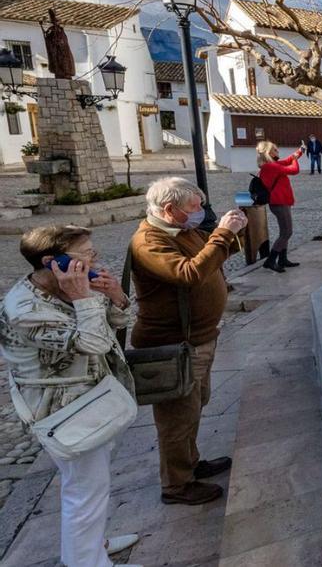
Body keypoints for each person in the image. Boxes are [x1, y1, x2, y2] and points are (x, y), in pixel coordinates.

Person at [1, 225, 142, 567]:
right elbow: (91, 342)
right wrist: (83, 299)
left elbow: (113, 327)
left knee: (90, 485)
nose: (94, 259)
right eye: (86, 254)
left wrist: (115, 297)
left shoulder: (70, 285)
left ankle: (91, 545)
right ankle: (87, 561)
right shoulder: (25, 309)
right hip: (64, 410)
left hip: (94, 397)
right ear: (53, 261)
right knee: (84, 491)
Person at [129, 178, 247, 506]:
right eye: (195, 207)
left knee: (194, 407)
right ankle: (177, 485)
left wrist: (234, 233)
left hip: (198, 338)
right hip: (173, 345)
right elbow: (189, 273)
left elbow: (212, 258)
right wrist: (222, 233)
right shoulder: (148, 241)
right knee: (176, 418)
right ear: (170, 210)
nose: (201, 213)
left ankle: (191, 463)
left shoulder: (182, 231)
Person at [255, 141, 304, 273]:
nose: (278, 152)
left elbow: (287, 161)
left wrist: (298, 153)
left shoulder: (271, 165)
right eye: (275, 150)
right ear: (269, 152)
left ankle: (283, 259)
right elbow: (294, 170)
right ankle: (271, 260)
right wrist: (294, 159)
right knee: (287, 232)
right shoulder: (270, 167)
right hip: (279, 203)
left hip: (281, 202)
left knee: (284, 232)